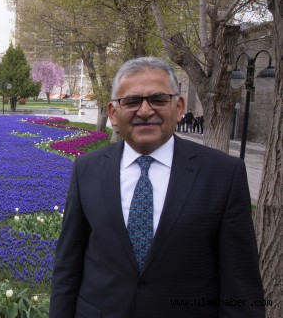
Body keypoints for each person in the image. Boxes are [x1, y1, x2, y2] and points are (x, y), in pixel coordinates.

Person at [50, 57, 263, 318]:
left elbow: (241, 286)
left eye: (158, 99)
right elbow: (67, 267)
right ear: (114, 113)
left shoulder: (223, 174)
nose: (145, 111)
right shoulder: (87, 169)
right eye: (132, 101)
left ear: (178, 106)